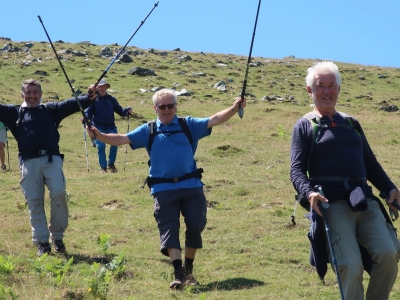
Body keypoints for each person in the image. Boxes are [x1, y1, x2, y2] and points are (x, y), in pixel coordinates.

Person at [87, 88, 246, 289]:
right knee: (169, 229)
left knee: (195, 225)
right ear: (155, 108)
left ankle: (189, 270)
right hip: (163, 190)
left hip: (192, 186)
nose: (167, 110)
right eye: (162, 106)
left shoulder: (188, 125)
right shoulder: (149, 129)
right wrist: (99, 135)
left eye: (171, 105)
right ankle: (179, 274)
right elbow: (121, 139)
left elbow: (214, 119)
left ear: (176, 106)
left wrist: (233, 108)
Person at [290, 61, 400, 299]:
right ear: (310, 91)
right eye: (321, 86)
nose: (327, 91)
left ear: (339, 89)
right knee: (349, 265)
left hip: (364, 201)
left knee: (389, 253)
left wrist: (390, 188)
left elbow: (370, 164)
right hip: (332, 204)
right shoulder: (305, 125)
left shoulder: (351, 123)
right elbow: (296, 170)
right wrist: (309, 194)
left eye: (332, 85)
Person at [0, 79, 96, 257]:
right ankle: (42, 242)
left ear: (41, 94)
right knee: (34, 202)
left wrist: (89, 96)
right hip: (29, 162)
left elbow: (72, 104)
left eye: (35, 92)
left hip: (52, 159)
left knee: (59, 192)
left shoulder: (50, 110)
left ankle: (57, 236)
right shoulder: (14, 112)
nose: (32, 96)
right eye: (28, 92)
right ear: (22, 94)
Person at [84, 79, 132, 173]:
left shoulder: (111, 99)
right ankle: (103, 167)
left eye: (104, 86)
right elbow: (88, 113)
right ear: (97, 88)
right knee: (101, 146)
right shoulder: (94, 99)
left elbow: (120, 111)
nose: (102, 88)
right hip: (98, 127)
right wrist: (85, 119)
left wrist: (127, 110)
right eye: (100, 87)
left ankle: (111, 164)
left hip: (111, 127)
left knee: (115, 143)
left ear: (107, 87)